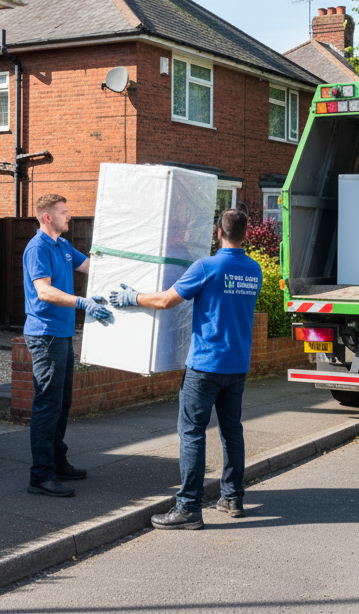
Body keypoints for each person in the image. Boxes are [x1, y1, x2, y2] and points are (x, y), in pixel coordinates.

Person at [108, 207, 262, 530]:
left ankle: (189, 507)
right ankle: (232, 498)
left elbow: (167, 300)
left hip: (205, 366)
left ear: (218, 233)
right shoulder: (255, 270)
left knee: (192, 432)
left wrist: (132, 297)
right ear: (245, 234)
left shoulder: (207, 266)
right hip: (237, 367)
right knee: (232, 431)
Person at [22, 193, 113, 498]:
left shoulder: (62, 246)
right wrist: (81, 302)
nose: (69, 216)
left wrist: (118, 261)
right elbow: (44, 292)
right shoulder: (38, 248)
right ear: (47, 217)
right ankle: (41, 476)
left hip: (61, 334)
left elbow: (91, 267)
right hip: (45, 335)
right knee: (47, 405)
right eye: (63, 212)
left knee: (62, 404)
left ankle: (57, 463)